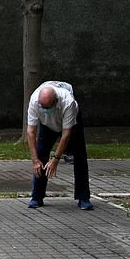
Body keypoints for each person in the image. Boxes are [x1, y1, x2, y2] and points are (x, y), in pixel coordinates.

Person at [26, 80, 93, 211]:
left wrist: (56, 158)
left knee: (80, 156)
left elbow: (66, 134)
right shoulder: (34, 100)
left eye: (48, 107)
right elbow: (31, 131)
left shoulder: (69, 102)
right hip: (46, 125)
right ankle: (37, 197)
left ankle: (83, 197)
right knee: (40, 154)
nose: (45, 110)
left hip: (70, 123)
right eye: (42, 107)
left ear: (55, 101)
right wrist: (34, 160)